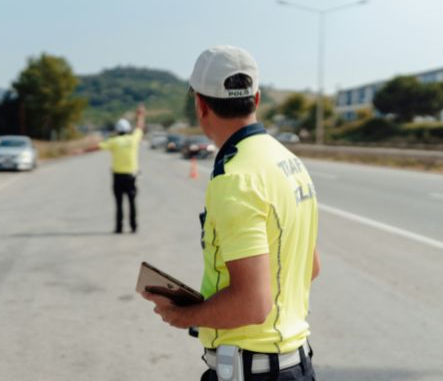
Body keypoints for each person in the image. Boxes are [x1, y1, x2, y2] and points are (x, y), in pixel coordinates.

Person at [142, 46, 321, 380]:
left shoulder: (235, 178)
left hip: (254, 372)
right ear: (256, 99)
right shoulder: (288, 162)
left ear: (200, 104)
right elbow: (309, 267)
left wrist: (183, 316)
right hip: (294, 365)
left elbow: (252, 303)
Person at [98, 104, 145, 234]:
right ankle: (133, 226)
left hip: (117, 177)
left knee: (119, 203)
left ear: (117, 130)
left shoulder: (113, 141)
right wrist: (140, 115)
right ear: (128, 129)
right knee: (132, 202)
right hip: (131, 176)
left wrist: (80, 150)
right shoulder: (133, 139)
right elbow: (140, 127)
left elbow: (98, 147)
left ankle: (119, 228)